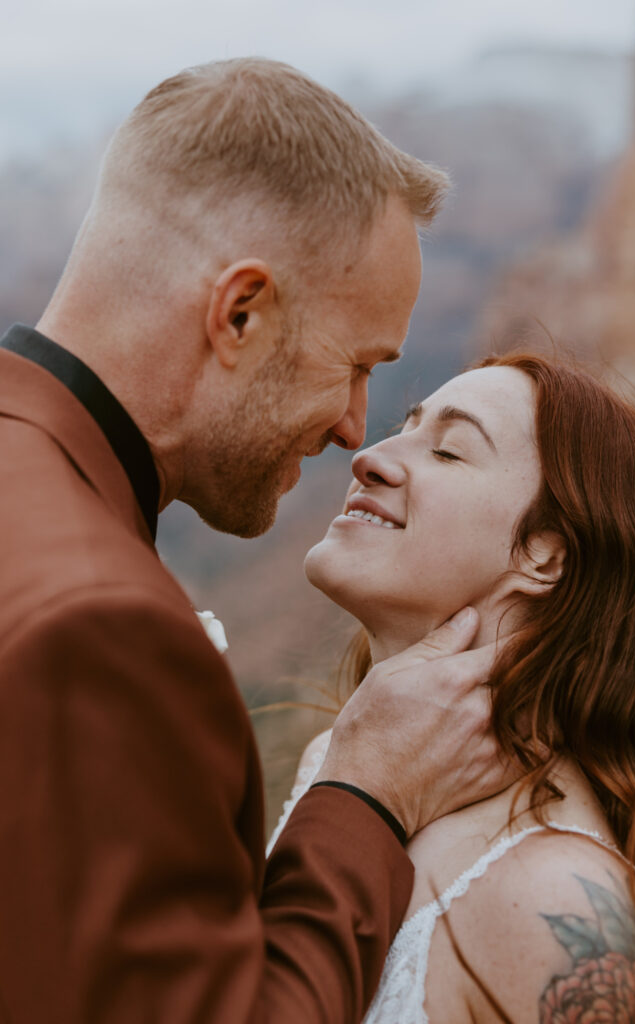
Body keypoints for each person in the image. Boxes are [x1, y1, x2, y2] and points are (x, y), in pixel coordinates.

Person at [0, 59, 515, 1023]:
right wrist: (366, 793)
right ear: (240, 314)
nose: (355, 429)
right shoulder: (102, 629)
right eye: (356, 365)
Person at [274, 353, 635, 1023]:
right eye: (404, 428)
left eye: (447, 451)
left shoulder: (557, 904)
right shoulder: (335, 761)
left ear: (542, 555)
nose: (369, 457)